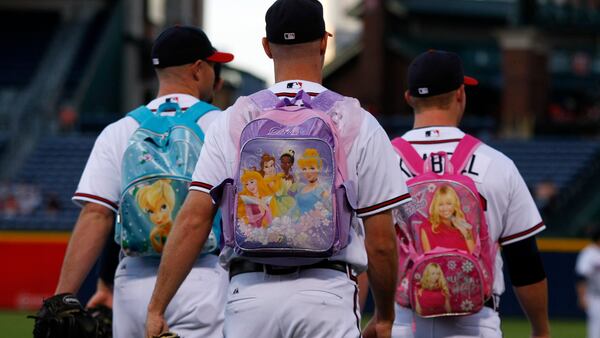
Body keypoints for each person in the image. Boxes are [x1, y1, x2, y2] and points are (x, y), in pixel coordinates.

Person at [145, 1, 411, 337]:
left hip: (249, 295)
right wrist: (385, 315)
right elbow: (382, 240)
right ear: (324, 42)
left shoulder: (234, 118)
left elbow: (194, 219)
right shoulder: (356, 120)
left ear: (267, 47)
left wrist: (156, 307)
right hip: (325, 294)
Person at [52, 25, 234, 338]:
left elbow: (97, 215)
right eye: (212, 65)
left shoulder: (118, 130)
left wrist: (61, 298)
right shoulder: (223, 124)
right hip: (203, 279)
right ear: (199, 69)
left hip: (132, 286)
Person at [392, 50, 550, 338]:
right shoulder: (498, 164)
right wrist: (540, 330)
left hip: (403, 320)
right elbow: (525, 262)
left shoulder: (380, 161)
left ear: (409, 98)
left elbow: (371, 251)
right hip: (477, 324)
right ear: (460, 94)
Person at [420, 184, 475, 253]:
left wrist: (465, 232)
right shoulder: (426, 228)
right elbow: (428, 259)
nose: (445, 208)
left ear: (455, 204)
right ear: (435, 206)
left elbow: (473, 255)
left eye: (449, 204)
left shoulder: (464, 224)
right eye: (440, 204)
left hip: (464, 263)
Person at [575, 225, 600, 338]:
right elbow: (581, 276)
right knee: (596, 330)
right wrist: (581, 297)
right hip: (595, 297)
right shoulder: (588, 253)